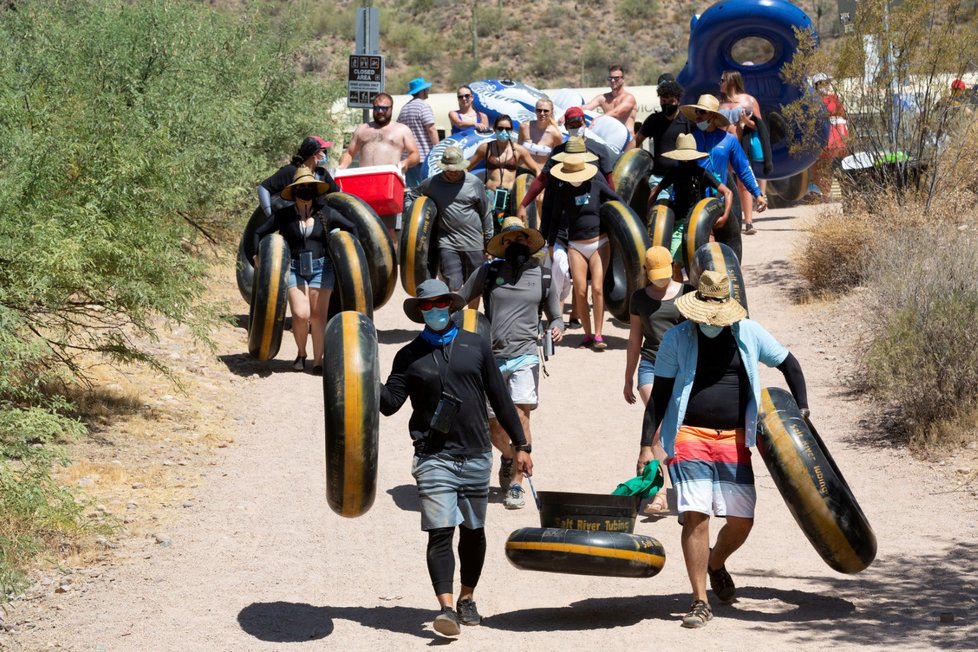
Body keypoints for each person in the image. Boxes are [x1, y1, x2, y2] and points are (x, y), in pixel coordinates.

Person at [636, 270, 809, 629]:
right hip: (688, 434)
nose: (710, 323)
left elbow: (789, 363)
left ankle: (715, 562)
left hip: (734, 437)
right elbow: (661, 396)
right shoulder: (677, 339)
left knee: (742, 520)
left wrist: (802, 411)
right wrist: (646, 446)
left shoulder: (749, 333)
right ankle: (699, 600)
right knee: (697, 513)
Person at [379, 279, 532, 637]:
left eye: (439, 304)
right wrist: (362, 375)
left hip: (476, 453)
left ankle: (467, 598)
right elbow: (389, 405)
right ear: (419, 312)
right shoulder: (408, 356)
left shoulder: (476, 346)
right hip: (433, 456)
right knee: (440, 531)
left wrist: (521, 446)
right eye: (426, 306)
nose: (433, 311)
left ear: (450, 305)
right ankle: (446, 608)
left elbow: (501, 400)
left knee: (473, 531)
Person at [457, 218, 564, 509]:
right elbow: (461, 299)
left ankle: (516, 483)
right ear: (501, 245)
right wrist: (434, 311)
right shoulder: (488, 273)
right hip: (491, 358)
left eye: (520, 240)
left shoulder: (542, 276)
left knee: (520, 417)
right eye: (508, 240)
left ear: (528, 243)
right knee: (494, 425)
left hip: (526, 354)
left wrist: (557, 327)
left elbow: (556, 315)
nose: (515, 245)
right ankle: (508, 455)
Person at [251, 166, 359, 375]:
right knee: (301, 315)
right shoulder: (283, 215)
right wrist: (257, 256)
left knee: (318, 316)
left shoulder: (326, 213)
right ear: (294, 191)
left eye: (310, 187)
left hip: (322, 268)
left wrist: (346, 253)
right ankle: (301, 354)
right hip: (293, 268)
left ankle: (318, 360)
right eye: (302, 187)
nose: (306, 191)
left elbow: (352, 227)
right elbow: (258, 232)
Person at [623, 246, 690, 515]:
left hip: (681, 367)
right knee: (660, 422)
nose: (660, 281)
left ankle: (649, 470)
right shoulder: (639, 298)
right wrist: (628, 376)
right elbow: (634, 339)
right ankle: (660, 494)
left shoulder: (687, 292)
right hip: (651, 365)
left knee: (673, 428)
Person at [545, 137, 623, 350]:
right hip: (575, 245)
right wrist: (551, 243)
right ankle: (587, 335)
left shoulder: (596, 183)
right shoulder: (562, 189)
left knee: (597, 288)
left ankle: (599, 335)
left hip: (599, 242)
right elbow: (553, 217)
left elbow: (618, 202)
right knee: (579, 290)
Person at [681, 94, 767, 244]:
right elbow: (679, 168)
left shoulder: (729, 140)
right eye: (697, 112)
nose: (698, 116)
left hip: (720, 201)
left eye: (702, 112)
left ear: (713, 116)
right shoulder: (691, 139)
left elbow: (743, 169)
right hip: (695, 201)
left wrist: (757, 194)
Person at [647, 133, 734, 277]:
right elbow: (655, 190)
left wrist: (725, 216)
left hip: (701, 223)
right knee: (674, 262)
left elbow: (728, 192)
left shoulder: (702, 173)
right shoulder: (675, 172)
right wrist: (651, 214)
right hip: (680, 222)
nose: (686, 161)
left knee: (709, 259)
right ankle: (678, 293)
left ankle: (712, 288)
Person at [410, 146, 492, 297]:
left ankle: (471, 319)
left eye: (456, 169)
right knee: (453, 286)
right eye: (449, 169)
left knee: (474, 289)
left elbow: (486, 213)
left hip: (473, 243)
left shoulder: (474, 183)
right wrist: (413, 220)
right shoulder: (431, 183)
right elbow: (411, 196)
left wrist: (488, 242)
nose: (452, 173)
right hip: (447, 243)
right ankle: (456, 318)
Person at [338, 92, 420, 242]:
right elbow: (349, 152)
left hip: (388, 186)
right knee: (362, 228)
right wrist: (342, 166)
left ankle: (393, 266)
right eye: (376, 108)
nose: (380, 111)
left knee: (389, 232)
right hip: (364, 186)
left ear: (391, 109)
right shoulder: (362, 129)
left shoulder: (401, 129)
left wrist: (404, 163)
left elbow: (415, 154)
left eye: (384, 108)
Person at [467, 114, 540, 229]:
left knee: (510, 228)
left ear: (511, 130)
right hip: (490, 194)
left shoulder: (519, 150)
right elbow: (467, 167)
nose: (504, 131)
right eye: (500, 128)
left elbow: (536, 169)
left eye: (507, 129)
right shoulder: (485, 148)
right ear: (495, 129)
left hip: (511, 196)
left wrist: (539, 189)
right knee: (489, 229)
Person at [719, 71, 767, 235]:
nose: (720, 83)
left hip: (741, 146)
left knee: (743, 183)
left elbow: (760, 125)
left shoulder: (749, 101)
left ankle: (748, 222)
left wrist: (746, 122)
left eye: (722, 80)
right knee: (722, 181)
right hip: (723, 147)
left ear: (731, 81)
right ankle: (726, 218)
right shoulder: (720, 103)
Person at [634, 79, 693, 202]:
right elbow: (636, 141)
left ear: (678, 101)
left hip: (682, 179)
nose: (666, 105)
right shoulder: (654, 120)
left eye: (670, 101)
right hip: (658, 178)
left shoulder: (687, 122)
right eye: (663, 101)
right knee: (661, 210)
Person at [258, 136, 339, 219]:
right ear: (314, 154)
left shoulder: (322, 173)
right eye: (323, 151)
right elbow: (263, 188)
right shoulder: (290, 171)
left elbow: (337, 194)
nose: (325, 155)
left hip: (319, 224)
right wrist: (271, 216)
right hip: (294, 225)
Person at [811, 73, 849, 198]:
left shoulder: (834, 98)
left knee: (838, 165)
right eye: (822, 83)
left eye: (826, 83)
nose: (825, 86)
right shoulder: (813, 100)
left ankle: (846, 193)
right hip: (824, 138)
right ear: (816, 85)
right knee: (823, 166)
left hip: (837, 138)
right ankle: (824, 194)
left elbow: (842, 115)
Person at [398, 77, 440, 188]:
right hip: (423, 157)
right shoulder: (423, 106)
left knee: (412, 190)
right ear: (422, 91)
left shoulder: (404, 109)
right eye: (426, 88)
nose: (428, 91)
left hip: (408, 158)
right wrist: (438, 149)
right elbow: (431, 129)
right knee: (425, 189)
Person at [582, 64, 638, 140]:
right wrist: (567, 113)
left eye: (616, 78)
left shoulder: (629, 98)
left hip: (627, 142)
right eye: (610, 78)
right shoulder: (603, 98)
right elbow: (586, 107)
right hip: (611, 141)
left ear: (623, 79)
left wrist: (598, 119)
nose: (612, 80)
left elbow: (616, 113)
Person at [518, 97, 565, 167]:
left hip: (541, 174)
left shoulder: (555, 134)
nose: (542, 113)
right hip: (522, 173)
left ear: (551, 112)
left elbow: (558, 159)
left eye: (546, 111)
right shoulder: (524, 127)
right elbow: (518, 151)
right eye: (539, 110)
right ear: (535, 111)